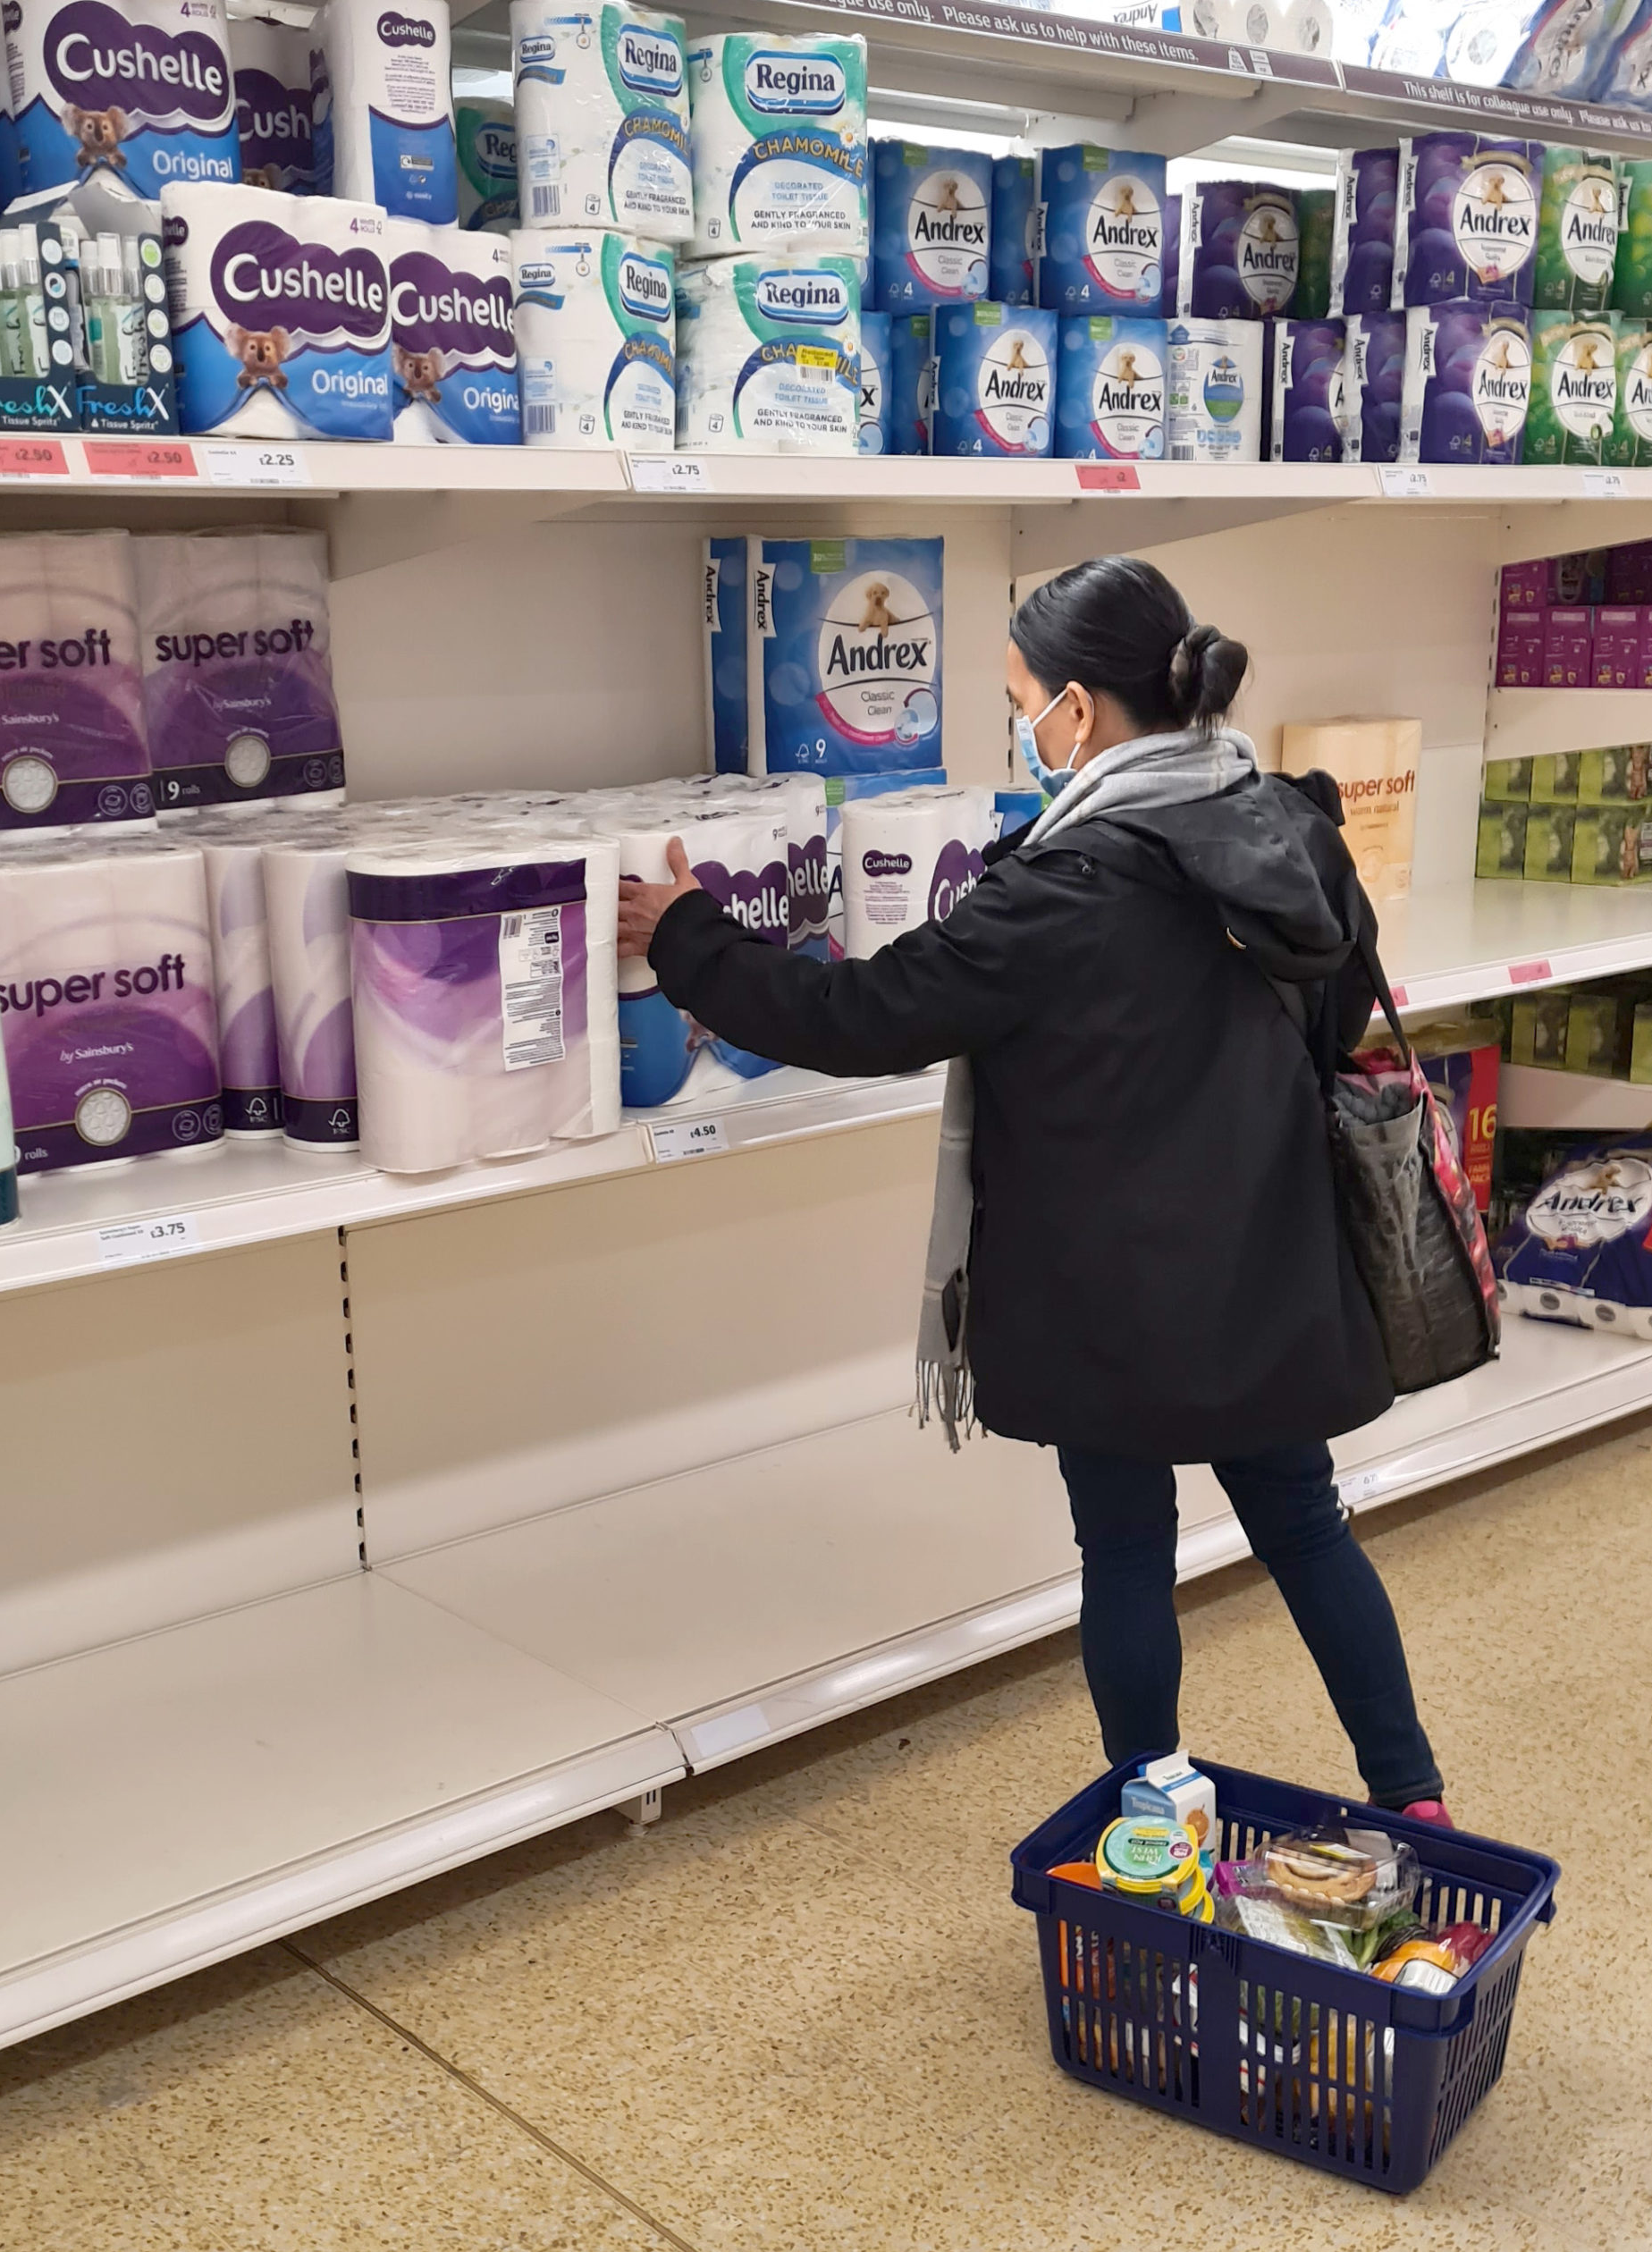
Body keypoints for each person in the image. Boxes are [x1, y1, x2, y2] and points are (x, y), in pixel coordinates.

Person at [619, 555, 1448, 1823]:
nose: (1018, 722)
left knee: (1125, 1550)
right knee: (1304, 1525)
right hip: (1273, 1263)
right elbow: (1328, 1015)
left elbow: (863, 1013)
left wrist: (686, 930)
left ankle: (1152, 1827)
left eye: (1019, 695)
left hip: (1108, 1293)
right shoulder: (1286, 823)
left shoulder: (1062, 887)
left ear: (1078, 707)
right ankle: (1415, 1805)